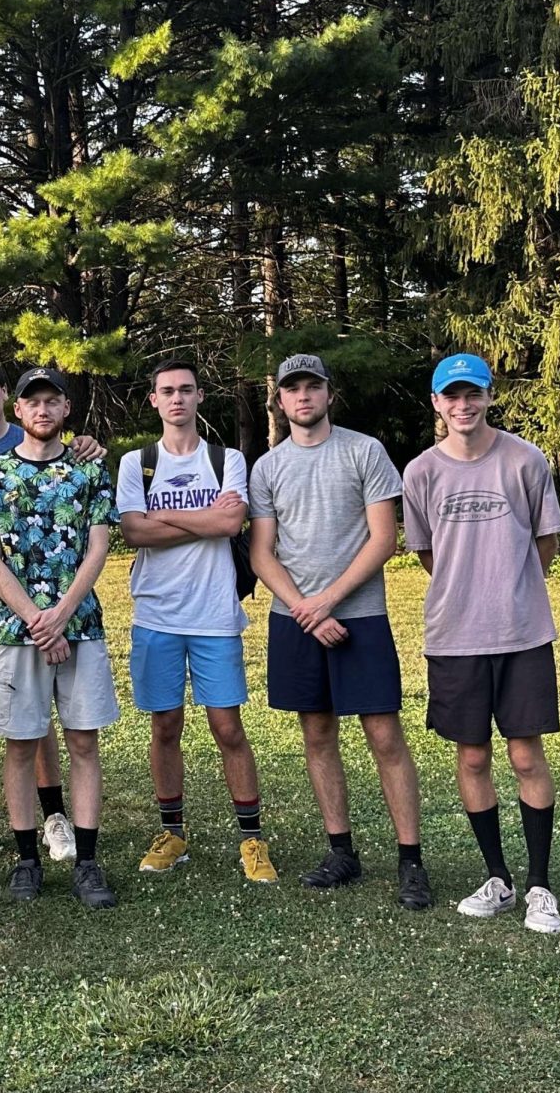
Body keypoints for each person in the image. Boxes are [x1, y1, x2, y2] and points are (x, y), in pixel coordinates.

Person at [248, 354, 433, 910]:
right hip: (294, 619)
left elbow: (383, 539)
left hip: (360, 617)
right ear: (280, 401)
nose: (303, 397)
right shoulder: (268, 467)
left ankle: (411, 860)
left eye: (313, 386)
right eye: (292, 389)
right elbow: (261, 552)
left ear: (329, 393)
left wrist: (326, 602)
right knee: (317, 733)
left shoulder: (364, 451)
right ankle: (341, 851)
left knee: (383, 735)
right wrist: (305, 609)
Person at [402, 354, 560, 933]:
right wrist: (468, 589)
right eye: (452, 396)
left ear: (489, 397)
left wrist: (508, 589)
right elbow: (427, 553)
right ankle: (498, 877)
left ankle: (540, 885)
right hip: (454, 635)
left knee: (525, 754)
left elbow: (544, 542)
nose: (463, 406)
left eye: (473, 395)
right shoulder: (420, 472)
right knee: (471, 755)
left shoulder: (524, 460)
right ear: (436, 403)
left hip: (522, 634)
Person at [117, 359, 277, 883]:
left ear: (200, 397)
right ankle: (172, 832)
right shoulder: (136, 463)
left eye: (186, 390)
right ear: (154, 400)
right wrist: (200, 521)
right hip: (157, 616)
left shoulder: (225, 458)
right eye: (168, 391)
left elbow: (231, 521)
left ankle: (252, 840)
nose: (178, 399)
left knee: (228, 727)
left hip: (215, 615)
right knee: (165, 725)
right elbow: (133, 534)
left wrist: (163, 518)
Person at [0, 366, 120, 909]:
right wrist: (38, 619)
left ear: (64, 410)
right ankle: (27, 860)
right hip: (18, 634)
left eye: (51, 401)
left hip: (79, 627)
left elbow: (98, 548)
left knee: (83, 742)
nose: (41, 410)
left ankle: (86, 860)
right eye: (31, 402)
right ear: (18, 411)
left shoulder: (88, 472)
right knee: (20, 744)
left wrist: (61, 615)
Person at [0, 356, 79, 864]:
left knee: (36, 716)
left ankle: (54, 817)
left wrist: (86, 443)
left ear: (8, 394)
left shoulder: (30, 439)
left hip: (28, 605)